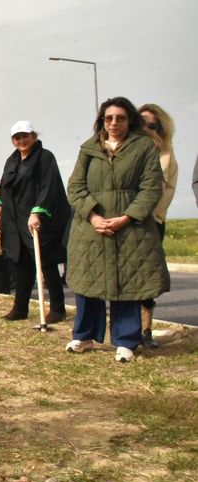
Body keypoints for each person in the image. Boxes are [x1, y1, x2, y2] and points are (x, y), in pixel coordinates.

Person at [65, 96, 170, 363]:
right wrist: (93, 216)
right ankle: (84, 335)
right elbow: (75, 187)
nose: (114, 123)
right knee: (90, 281)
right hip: (91, 228)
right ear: (101, 120)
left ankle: (126, 341)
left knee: (127, 282)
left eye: (120, 118)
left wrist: (127, 217)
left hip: (130, 227)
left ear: (130, 120)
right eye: (109, 118)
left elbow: (151, 188)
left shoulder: (144, 147)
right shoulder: (88, 148)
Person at [0, 121, 70, 324]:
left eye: (25, 136)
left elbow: (50, 186)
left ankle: (57, 308)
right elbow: (4, 189)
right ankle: (20, 307)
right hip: (15, 219)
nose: (21, 140)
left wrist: (37, 212)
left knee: (45, 263)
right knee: (21, 264)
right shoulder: (11, 161)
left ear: (34, 136)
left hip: (38, 217)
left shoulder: (45, 157)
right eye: (17, 137)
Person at [137, 103, 178, 348]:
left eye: (151, 125)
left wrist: (143, 213)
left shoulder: (167, 156)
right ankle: (127, 330)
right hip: (123, 221)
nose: (145, 129)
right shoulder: (125, 150)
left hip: (151, 222)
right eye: (140, 123)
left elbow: (166, 192)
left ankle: (145, 330)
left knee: (147, 278)